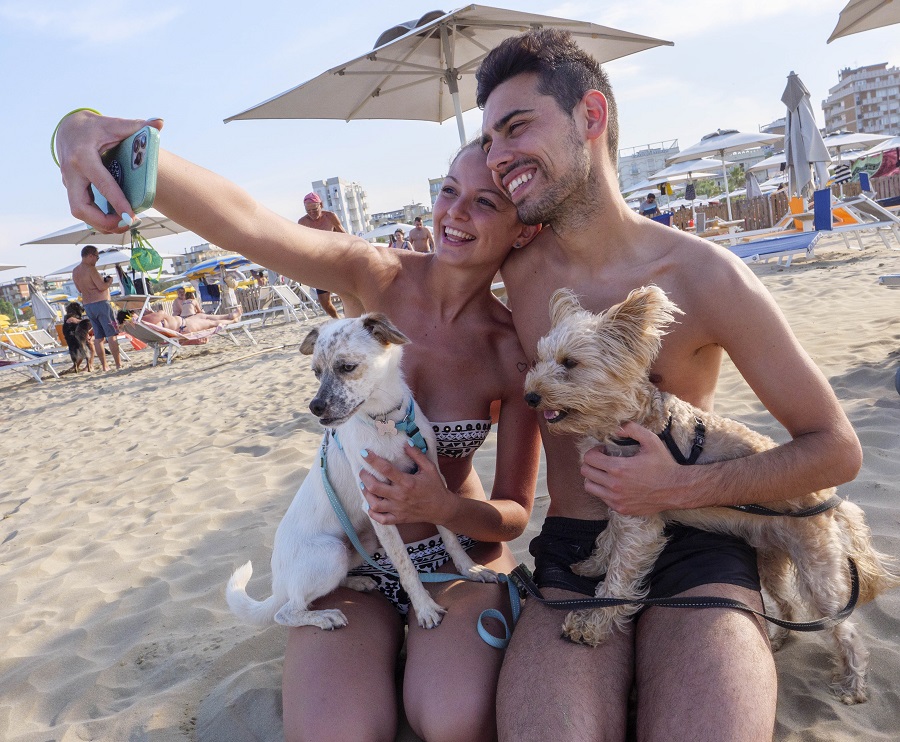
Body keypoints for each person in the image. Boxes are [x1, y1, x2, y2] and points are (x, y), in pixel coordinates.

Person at [57, 112, 542, 742]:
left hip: (456, 562)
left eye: (486, 201)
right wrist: (90, 134)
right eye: (449, 189)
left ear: (522, 227)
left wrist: (442, 505)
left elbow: (514, 515)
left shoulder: (513, 348)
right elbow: (252, 225)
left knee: (454, 720)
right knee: (336, 732)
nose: (456, 213)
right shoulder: (376, 275)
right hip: (352, 556)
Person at [475, 29, 862, 741]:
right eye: (489, 140)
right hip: (576, 547)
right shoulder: (514, 267)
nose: (497, 156)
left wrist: (677, 490)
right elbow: (390, 274)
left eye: (516, 127)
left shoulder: (704, 276)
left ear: (592, 117)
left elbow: (836, 450)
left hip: (703, 538)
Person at [71, 244, 123, 371]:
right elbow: (101, 287)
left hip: (88, 305)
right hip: (101, 303)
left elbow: (79, 289)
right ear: (90, 255)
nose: (97, 260)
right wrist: (109, 282)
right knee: (111, 335)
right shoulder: (90, 269)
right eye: (97, 257)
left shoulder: (75, 271)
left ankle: (105, 366)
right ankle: (118, 364)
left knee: (99, 337)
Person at [297, 192, 345, 319]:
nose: (312, 213)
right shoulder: (302, 222)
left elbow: (344, 235)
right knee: (324, 301)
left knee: (345, 294)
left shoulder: (330, 217)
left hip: (335, 260)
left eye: (314, 209)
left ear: (321, 205)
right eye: (308, 211)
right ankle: (337, 319)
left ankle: (349, 317)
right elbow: (300, 244)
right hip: (319, 264)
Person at [118, 306, 242, 334]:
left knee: (202, 315)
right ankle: (232, 320)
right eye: (134, 313)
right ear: (131, 315)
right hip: (184, 327)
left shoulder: (140, 324)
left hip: (184, 323)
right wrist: (151, 313)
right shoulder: (141, 321)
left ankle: (228, 316)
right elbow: (161, 313)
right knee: (211, 322)